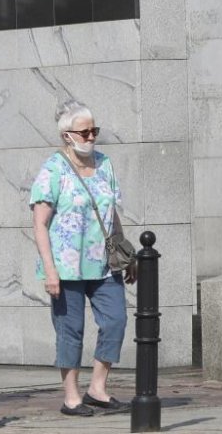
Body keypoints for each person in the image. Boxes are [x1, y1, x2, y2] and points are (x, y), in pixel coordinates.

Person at [29, 99, 132, 417]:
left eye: (94, 131)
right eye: (84, 132)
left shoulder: (105, 164)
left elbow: (111, 212)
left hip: (103, 264)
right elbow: (39, 224)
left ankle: (97, 388)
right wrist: (50, 270)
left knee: (116, 319)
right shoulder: (53, 169)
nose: (90, 137)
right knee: (70, 329)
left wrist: (125, 254)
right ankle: (71, 396)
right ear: (67, 136)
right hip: (66, 266)